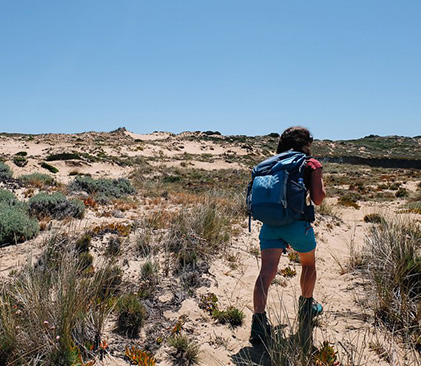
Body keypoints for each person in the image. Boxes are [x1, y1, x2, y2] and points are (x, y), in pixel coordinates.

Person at [250, 126, 326, 348]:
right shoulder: (310, 163)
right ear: (306, 143)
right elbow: (318, 199)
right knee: (308, 264)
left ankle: (258, 324)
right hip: (297, 225)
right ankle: (306, 308)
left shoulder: (272, 163)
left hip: (270, 224)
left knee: (266, 273)